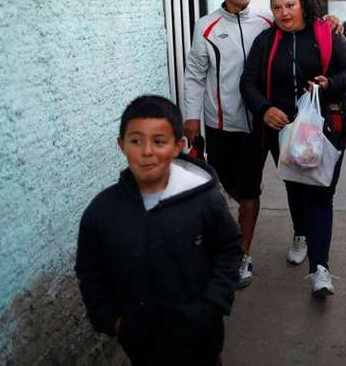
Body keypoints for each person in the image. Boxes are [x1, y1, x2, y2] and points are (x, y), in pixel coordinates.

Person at [183, 0, 343, 288]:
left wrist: (328, 21)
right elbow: (194, 75)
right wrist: (192, 117)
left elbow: (301, 22)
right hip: (223, 122)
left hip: (266, 123)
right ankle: (247, 238)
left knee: (280, 183)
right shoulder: (206, 27)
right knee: (228, 181)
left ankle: (247, 253)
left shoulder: (266, 19)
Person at [75, 95, 242, 365]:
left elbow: (229, 250)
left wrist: (212, 306)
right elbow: (90, 270)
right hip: (142, 347)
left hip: (202, 342)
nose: (147, 151)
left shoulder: (203, 200)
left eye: (159, 141)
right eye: (136, 140)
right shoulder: (102, 212)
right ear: (121, 145)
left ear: (178, 146)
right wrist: (113, 320)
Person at [240, 0, 346, 297]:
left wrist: (329, 84)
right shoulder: (265, 41)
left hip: (326, 129)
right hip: (286, 133)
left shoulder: (327, 34)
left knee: (321, 193)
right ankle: (300, 233)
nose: (283, 13)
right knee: (296, 189)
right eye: (277, 7)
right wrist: (264, 109)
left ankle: (320, 269)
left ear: (303, 5)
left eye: (289, 5)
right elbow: (247, 83)